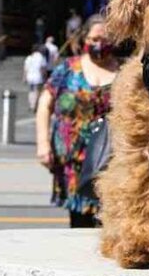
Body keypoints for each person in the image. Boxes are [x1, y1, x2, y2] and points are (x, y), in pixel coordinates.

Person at [35, 15, 117, 227]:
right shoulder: (67, 69)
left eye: (105, 39)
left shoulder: (124, 71)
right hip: (74, 159)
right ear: (84, 40)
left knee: (111, 218)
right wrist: (43, 144)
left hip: (111, 160)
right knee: (79, 221)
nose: (100, 44)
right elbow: (45, 104)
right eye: (94, 39)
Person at [23, 44, 47, 112]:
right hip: (38, 77)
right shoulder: (41, 57)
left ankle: (31, 105)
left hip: (29, 76)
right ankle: (35, 105)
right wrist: (45, 77)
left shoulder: (29, 57)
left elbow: (25, 69)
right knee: (37, 91)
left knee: (31, 91)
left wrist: (24, 77)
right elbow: (42, 69)